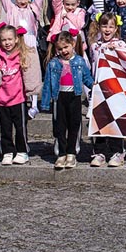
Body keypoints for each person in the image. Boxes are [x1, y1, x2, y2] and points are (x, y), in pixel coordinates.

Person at [0, 24, 41, 165]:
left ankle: (22, 151)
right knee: (5, 127)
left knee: (20, 127)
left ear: (16, 39)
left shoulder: (22, 54)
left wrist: (31, 91)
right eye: (4, 40)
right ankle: (7, 151)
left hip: (18, 98)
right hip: (1, 98)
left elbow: (29, 72)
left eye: (10, 39)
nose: (7, 43)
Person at [42, 31, 93, 169]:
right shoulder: (53, 63)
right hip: (59, 97)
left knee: (74, 125)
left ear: (73, 44)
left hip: (74, 96)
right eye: (60, 49)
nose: (64, 51)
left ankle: (72, 152)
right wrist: (45, 103)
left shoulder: (79, 61)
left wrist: (94, 86)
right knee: (60, 126)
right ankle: (61, 153)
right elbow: (47, 84)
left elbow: (87, 78)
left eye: (66, 47)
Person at [87, 12, 126, 168]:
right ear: (99, 27)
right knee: (99, 121)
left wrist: (116, 49)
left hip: (115, 89)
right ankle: (99, 152)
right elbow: (96, 57)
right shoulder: (95, 46)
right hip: (99, 89)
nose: (107, 29)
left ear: (116, 28)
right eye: (104, 26)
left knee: (115, 121)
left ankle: (117, 152)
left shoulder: (121, 44)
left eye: (111, 26)